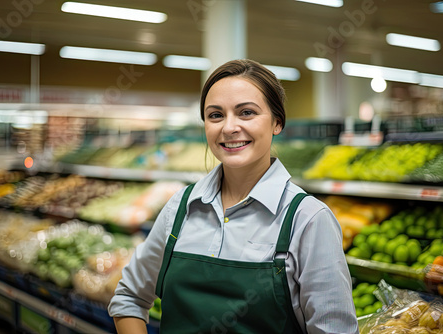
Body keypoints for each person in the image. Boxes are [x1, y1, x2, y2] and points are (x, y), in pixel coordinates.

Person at [108, 59, 359, 333]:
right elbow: (129, 297)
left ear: (277, 122)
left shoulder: (307, 219)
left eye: (247, 113)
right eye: (216, 115)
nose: (229, 127)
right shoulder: (180, 208)